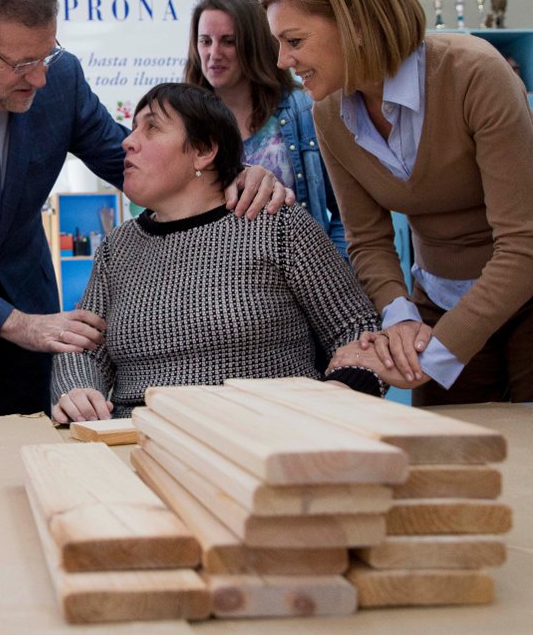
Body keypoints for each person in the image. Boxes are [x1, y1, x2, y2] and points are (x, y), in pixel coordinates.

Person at [0, 0, 291, 422]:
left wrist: (230, 172)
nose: (40, 78)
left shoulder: (60, 81)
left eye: (47, 55)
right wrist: (17, 323)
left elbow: (127, 160)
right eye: (23, 64)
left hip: (23, 292)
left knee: (30, 448)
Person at [262, 0, 533, 405]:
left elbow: (528, 245)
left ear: (356, 25)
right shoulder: (327, 113)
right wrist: (400, 318)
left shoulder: (475, 73)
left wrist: (430, 356)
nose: (284, 60)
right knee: (445, 451)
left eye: (295, 41)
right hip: (440, 294)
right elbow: (369, 240)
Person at [51, 83, 388, 422]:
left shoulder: (275, 222)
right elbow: (84, 346)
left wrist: (342, 393)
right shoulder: (117, 247)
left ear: (204, 150)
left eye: (151, 127)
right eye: (134, 127)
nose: (128, 141)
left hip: (269, 435)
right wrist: (79, 390)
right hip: (140, 441)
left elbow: (355, 327)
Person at [183, 0, 346, 256]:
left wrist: (331, 273)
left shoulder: (302, 109)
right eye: (205, 41)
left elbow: (347, 213)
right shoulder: (184, 122)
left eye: (228, 41)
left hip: (299, 285)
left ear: (255, 44)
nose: (214, 53)